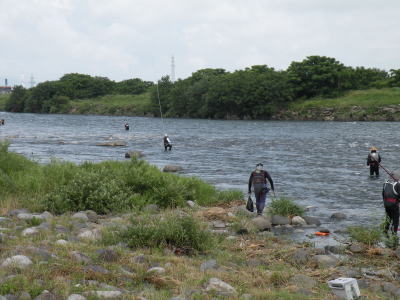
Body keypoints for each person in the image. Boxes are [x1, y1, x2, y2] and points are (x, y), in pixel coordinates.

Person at [382, 173, 400, 237]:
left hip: (386, 204)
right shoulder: (397, 185)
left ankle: (385, 231)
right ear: (397, 178)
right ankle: (394, 234)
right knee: (395, 220)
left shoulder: (385, 184)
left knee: (388, 218)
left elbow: (383, 195)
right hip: (394, 205)